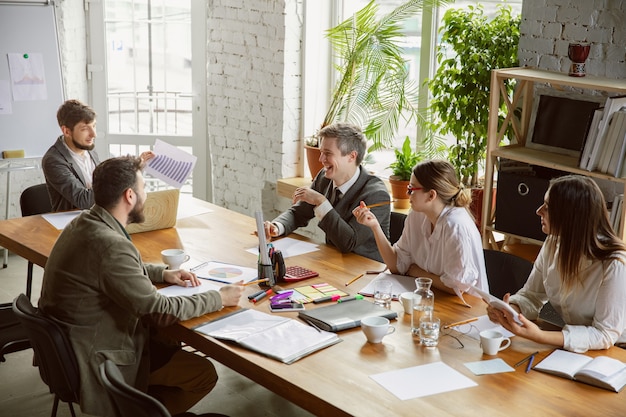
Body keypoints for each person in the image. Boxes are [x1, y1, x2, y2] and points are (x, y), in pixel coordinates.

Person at [38, 155, 244, 417]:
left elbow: (109, 270)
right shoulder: (111, 245)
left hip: (76, 345)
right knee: (202, 374)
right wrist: (219, 298)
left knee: (168, 339)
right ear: (130, 196)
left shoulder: (84, 224)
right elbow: (158, 310)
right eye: (144, 187)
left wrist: (162, 273)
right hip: (101, 356)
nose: (146, 194)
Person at [486, 175, 626, 352]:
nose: (538, 211)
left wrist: (540, 336)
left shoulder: (614, 263)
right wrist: (511, 310)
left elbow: (605, 334)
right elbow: (531, 295)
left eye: (548, 207)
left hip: (616, 351)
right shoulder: (553, 243)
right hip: (575, 348)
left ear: (570, 217)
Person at [353, 159, 488, 299]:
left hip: (466, 308)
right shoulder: (417, 215)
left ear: (431, 195)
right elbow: (397, 265)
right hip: (430, 297)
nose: (407, 194)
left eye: (411, 189)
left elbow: (456, 287)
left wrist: (417, 272)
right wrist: (375, 226)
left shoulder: (455, 226)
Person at [264, 123, 390, 262]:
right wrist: (276, 227)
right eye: (321, 152)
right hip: (333, 262)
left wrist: (321, 202)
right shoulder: (324, 178)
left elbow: (349, 243)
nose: (321, 159)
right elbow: (299, 213)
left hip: (366, 271)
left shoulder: (376, 194)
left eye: (328, 153)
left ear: (351, 156)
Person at [42, 99, 154, 212]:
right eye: (85, 129)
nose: (93, 134)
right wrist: (123, 176)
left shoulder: (87, 147)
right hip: (74, 222)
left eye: (94, 126)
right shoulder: (53, 160)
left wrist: (135, 165)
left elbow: (101, 180)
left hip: (98, 214)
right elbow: (83, 200)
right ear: (66, 131)